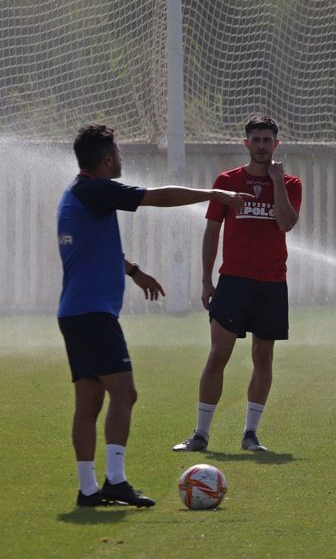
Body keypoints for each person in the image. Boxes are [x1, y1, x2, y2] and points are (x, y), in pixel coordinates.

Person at [59, 124, 248, 507]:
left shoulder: (79, 193)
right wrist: (215, 194)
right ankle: (114, 481)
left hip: (76, 313)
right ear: (108, 158)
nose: (121, 158)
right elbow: (156, 197)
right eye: (118, 152)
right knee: (124, 393)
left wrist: (132, 271)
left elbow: (91, 247)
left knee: (90, 400)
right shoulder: (96, 189)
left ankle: (88, 489)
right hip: (93, 315)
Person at [173, 115, 302, 454]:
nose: (261, 146)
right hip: (233, 281)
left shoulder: (290, 184)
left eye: (267, 140)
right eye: (256, 140)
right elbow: (212, 231)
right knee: (219, 355)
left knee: (263, 356)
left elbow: (286, 224)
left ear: (277, 144)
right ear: (246, 144)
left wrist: (275, 182)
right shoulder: (227, 182)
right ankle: (200, 434)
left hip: (272, 283)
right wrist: (206, 280)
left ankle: (251, 435)